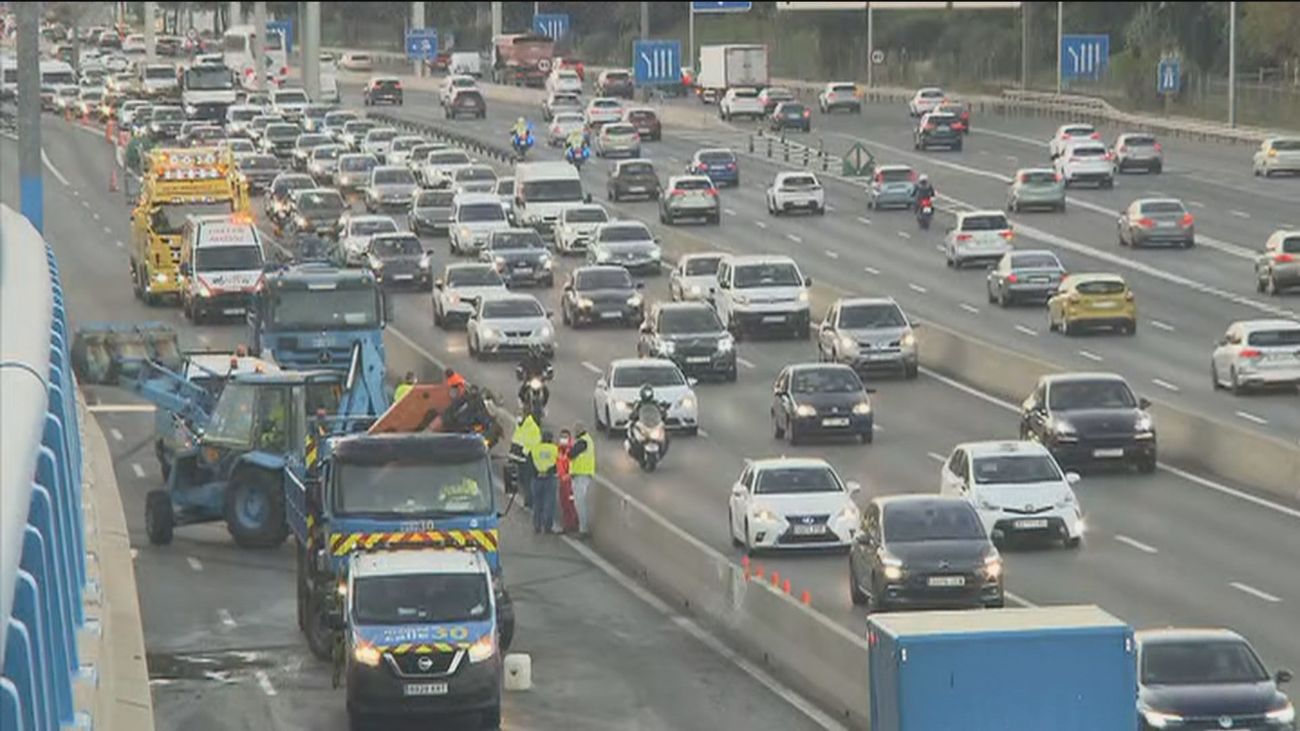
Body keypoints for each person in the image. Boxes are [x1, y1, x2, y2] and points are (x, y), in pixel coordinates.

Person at [508, 411, 542, 508]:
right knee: (520, 479)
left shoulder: (532, 428)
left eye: (521, 416)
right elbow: (516, 439)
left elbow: (535, 443)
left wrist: (524, 452)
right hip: (518, 456)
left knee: (527, 481)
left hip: (526, 459)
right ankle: (526, 500)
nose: (518, 418)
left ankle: (529, 503)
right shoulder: (521, 426)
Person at [567, 422, 595, 536]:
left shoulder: (583, 442)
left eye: (575, 430)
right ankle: (582, 527)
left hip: (581, 476)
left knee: (580, 503)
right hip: (581, 475)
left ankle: (583, 529)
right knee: (579, 502)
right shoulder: (586, 440)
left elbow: (571, 454)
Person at [530, 430, 560, 535]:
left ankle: (537, 526)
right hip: (549, 478)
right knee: (549, 503)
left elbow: (530, 462)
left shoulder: (535, 448)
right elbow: (559, 463)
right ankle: (547, 527)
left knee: (537, 503)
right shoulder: (555, 449)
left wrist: (536, 472)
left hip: (536, 478)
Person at [555, 429, 578, 533]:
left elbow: (574, 465)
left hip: (569, 481)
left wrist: (568, 476)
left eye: (565, 437)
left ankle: (573, 525)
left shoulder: (572, 449)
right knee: (564, 503)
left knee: (571, 504)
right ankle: (567, 525)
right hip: (562, 480)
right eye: (562, 437)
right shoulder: (558, 449)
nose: (563, 439)